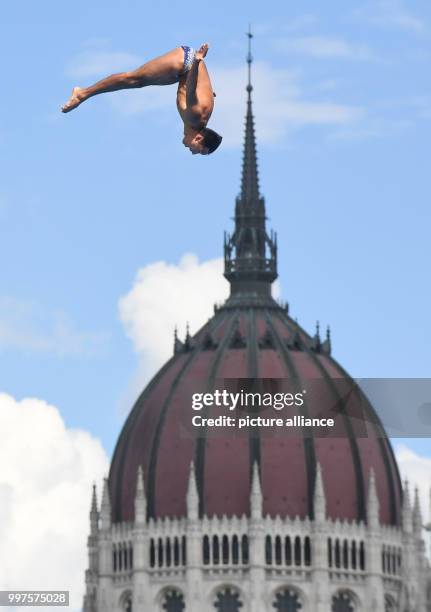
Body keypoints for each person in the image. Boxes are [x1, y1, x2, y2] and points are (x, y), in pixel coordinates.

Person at [61, 43, 222, 155]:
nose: (193, 153)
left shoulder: (198, 120)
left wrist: (209, 90)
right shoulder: (195, 116)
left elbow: (203, 92)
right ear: (199, 137)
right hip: (185, 62)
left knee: (138, 82)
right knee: (134, 80)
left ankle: (83, 93)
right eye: (198, 150)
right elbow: (192, 88)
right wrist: (197, 60)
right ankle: (82, 93)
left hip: (184, 72)